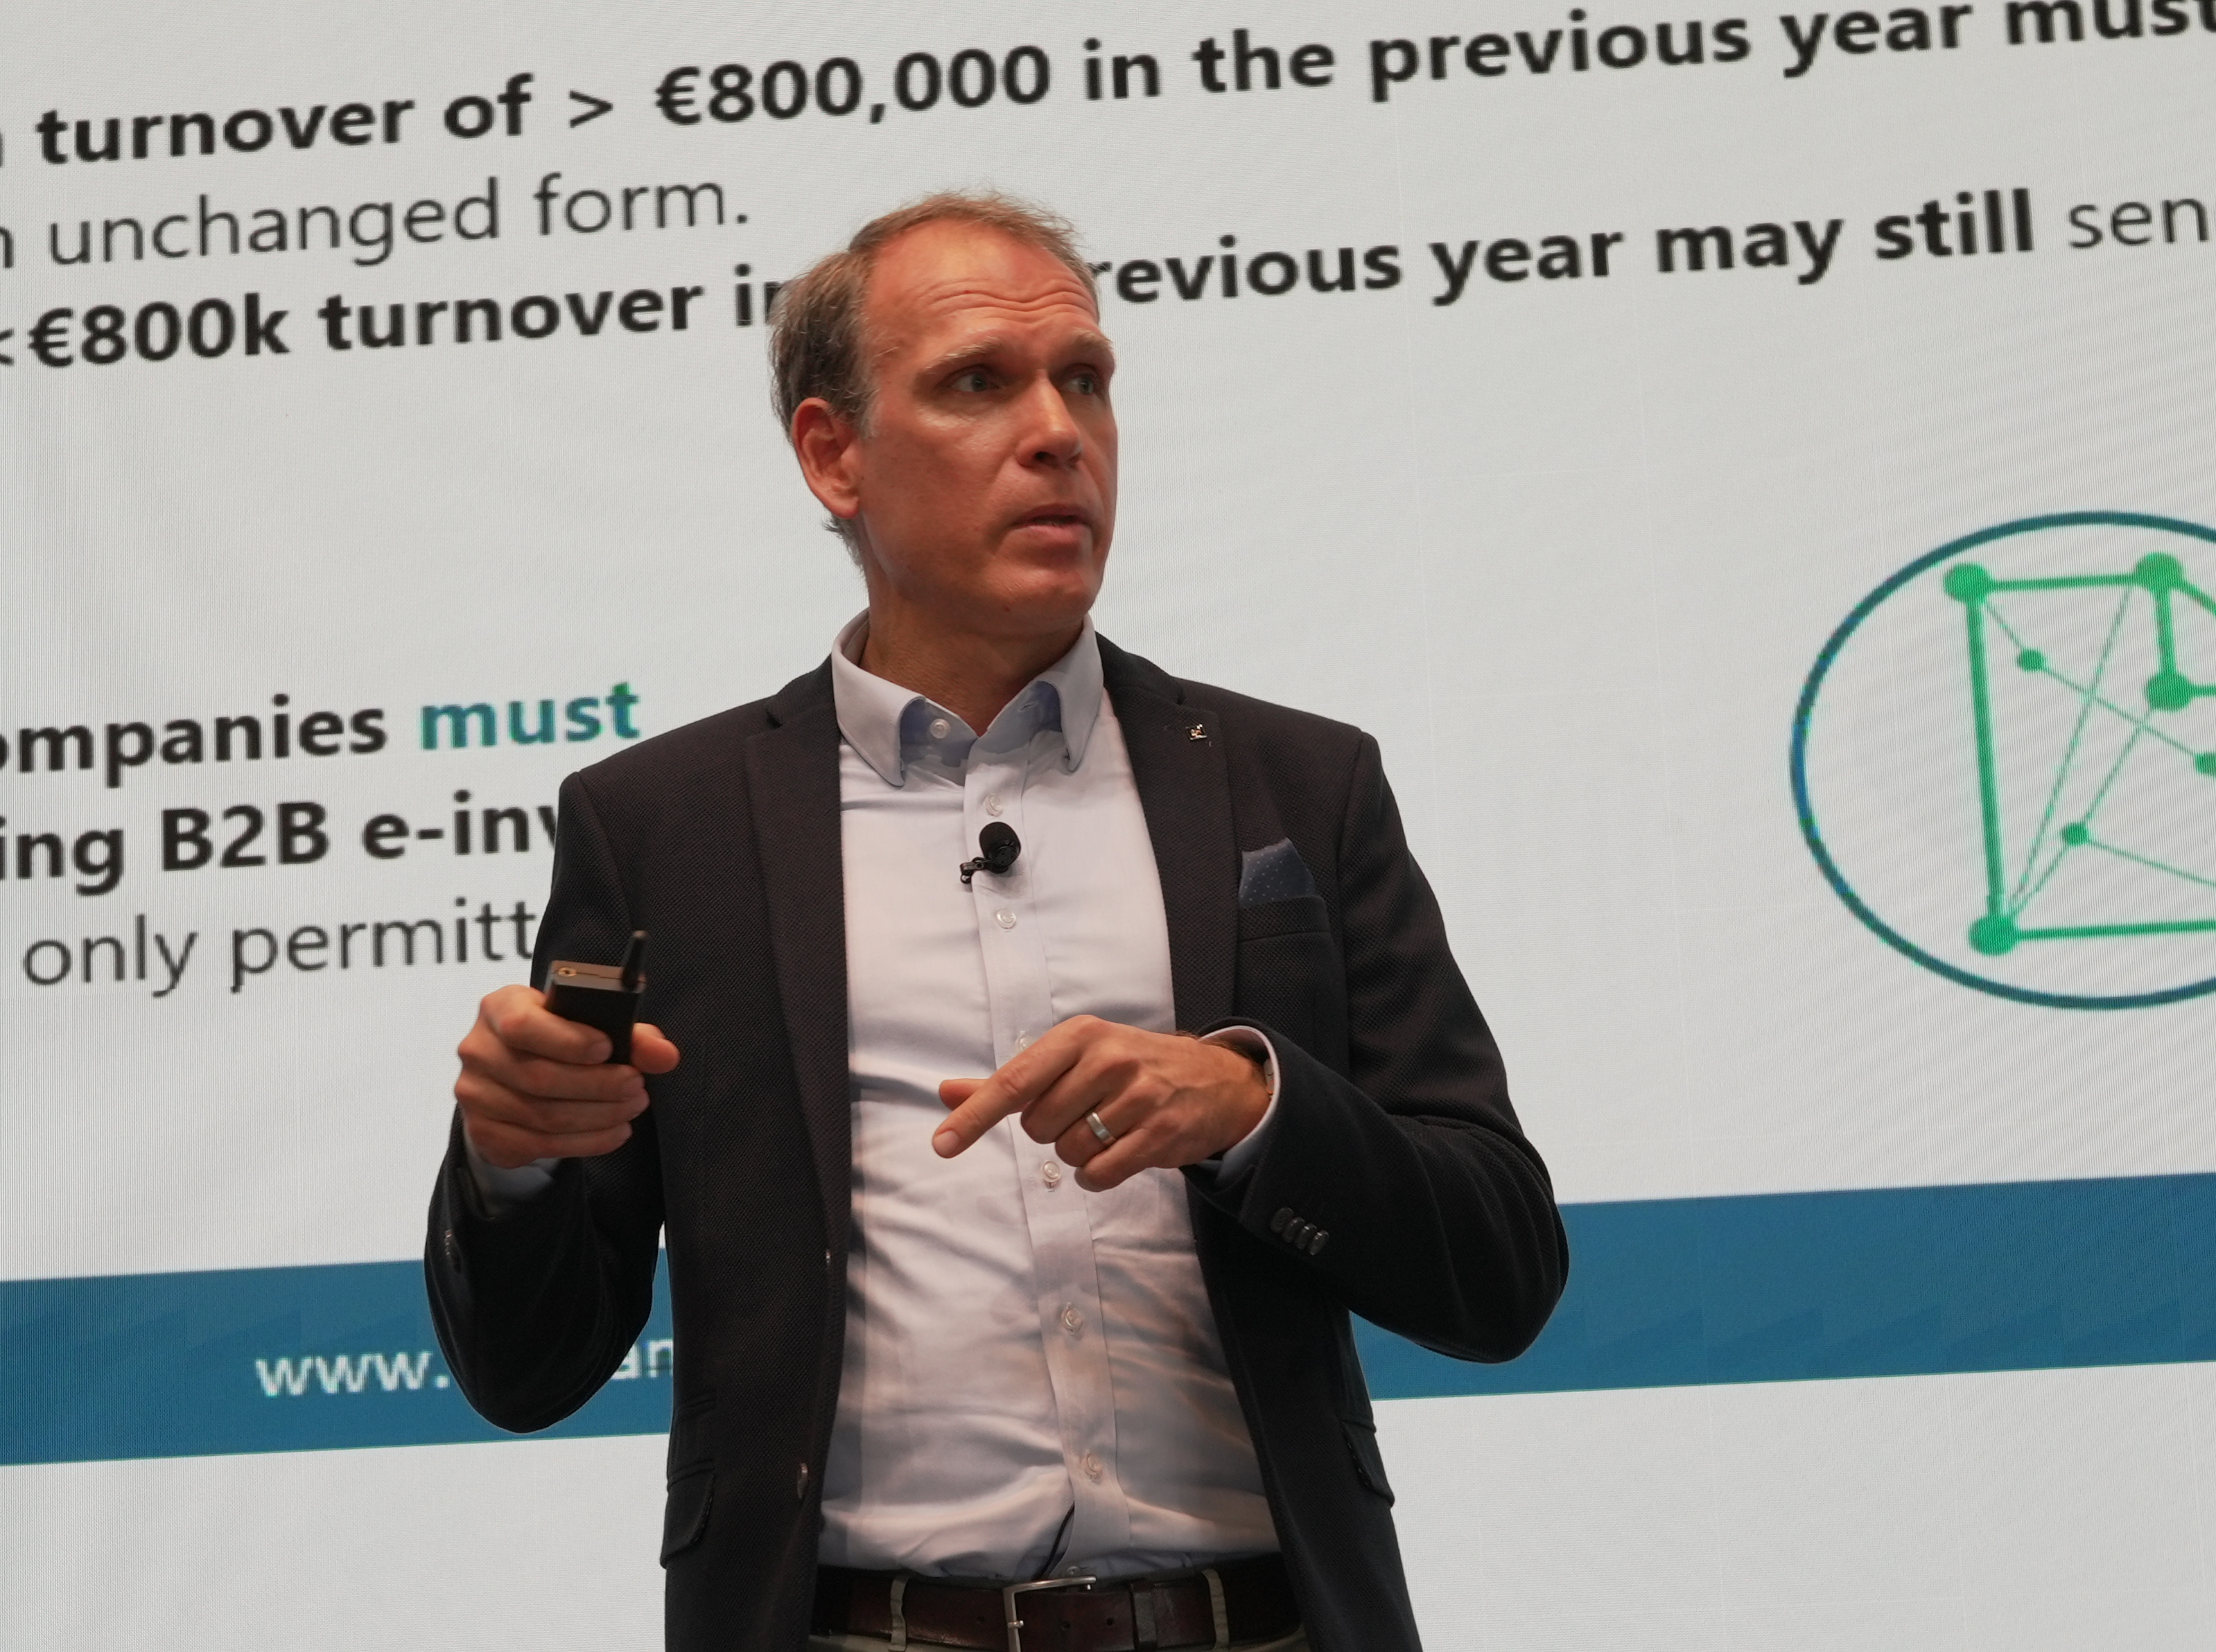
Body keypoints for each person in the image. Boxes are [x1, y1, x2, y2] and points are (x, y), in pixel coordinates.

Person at [427, 192, 1567, 1652]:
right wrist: (514, 1158)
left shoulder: (1298, 783)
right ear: (832, 453)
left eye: (1084, 380)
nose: (1057, 433)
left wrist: (1254, 1107)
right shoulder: (664, 828)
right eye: (978, 382)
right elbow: (529, 1367)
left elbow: (1499, 1269)